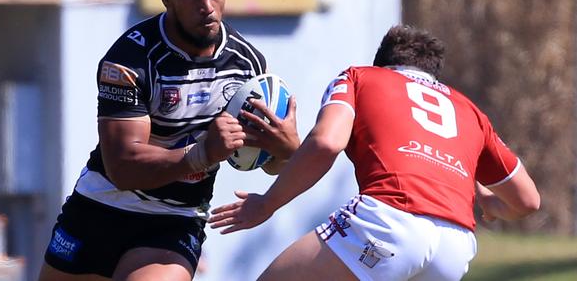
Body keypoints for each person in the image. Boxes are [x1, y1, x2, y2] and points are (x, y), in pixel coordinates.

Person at [38, 0, 299, 281]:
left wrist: (286, 150)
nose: (207, 6)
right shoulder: (130, 60)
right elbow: (124, 168)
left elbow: (266, 162)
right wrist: (202, 153)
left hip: (175, 219)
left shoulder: (247, 63)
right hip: (102, 205)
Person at [208, 25, 541, 281]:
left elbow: (326, 143)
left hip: (389, 222)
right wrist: (490, 203)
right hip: (455, 245)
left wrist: (267, 204)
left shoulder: (360, 77)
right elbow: (527, 201)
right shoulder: (469, 111)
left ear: (382, 64)